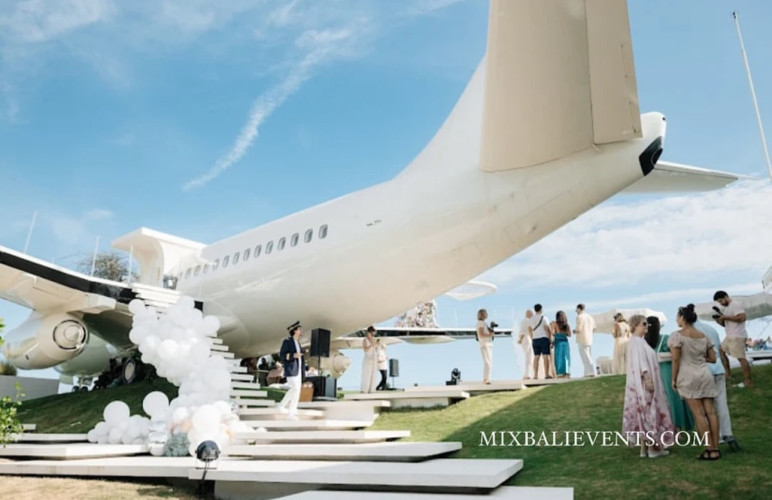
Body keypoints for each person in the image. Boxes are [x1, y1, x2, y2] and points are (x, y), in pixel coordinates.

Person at [669, 304, 720, 460]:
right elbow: (713, 358)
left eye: (677, 317)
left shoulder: (677, 336)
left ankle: (709, 448)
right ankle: (716, 448)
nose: (676, 320)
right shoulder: (703, 336)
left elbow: (676, 360)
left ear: (683, 318)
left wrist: (673, 379)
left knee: (698, 414)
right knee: (711, 412)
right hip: (705, 374)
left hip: (688, 376)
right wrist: (699, 358)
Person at [622, 315, 673, 458]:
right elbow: (642, 363)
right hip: (644, 383)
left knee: (644, 414)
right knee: (649, 412)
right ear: (635, 326)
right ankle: (653, 449)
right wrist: (648, 380)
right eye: (643, 324)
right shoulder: (637, 342)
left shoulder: (638, 341)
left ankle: (644, 448)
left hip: (641, 383)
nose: (647, 326)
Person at [694, 318, 740, 451]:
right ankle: (727, 432)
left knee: (707, 406)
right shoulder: (711, 329)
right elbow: (719, 350)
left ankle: (716, 435)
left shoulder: (692, 331)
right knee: (722, 403)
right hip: (718, 368)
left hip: (704, 369)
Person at [648, 316, 694, 431]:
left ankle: (668, 427)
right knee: (673, 399)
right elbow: (677, 355)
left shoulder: (645, 342)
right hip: (668, 371)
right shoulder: (665, 338)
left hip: (653, 372)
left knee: (663, 400)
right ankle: (677, 426)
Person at [714, 290, 752, 387]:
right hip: (730, 336)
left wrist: (725, 317)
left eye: (721, 301)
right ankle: (728, 374)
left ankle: (748, 381)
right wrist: (719, 321)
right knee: (721, 350)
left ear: (726, 297)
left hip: (737, 335)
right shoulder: (727, 309)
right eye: (719, 302)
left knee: (741, 358)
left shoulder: (735, 304)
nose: (721, 303)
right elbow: (727, 324)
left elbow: (742, 318)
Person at [277, 321, 305, 420]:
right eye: (299, 329)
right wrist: (293, 355)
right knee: (295, 389)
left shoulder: (298, 343)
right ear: (294, 331)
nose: (301, 331)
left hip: (299, 371)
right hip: (291, 369)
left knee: (297, 391)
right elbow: (282, 355)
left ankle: (289, 410)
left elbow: (301, 360)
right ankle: (287, 411)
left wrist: (306, 368)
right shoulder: (287, 341)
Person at [529, 304, 552, 379]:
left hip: (535, 339)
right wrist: (550, 338)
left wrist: (532, 337)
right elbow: (548, 328)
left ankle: (535, 375)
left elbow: (529, 329)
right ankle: (546, 374)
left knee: (536, 357)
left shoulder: (531, 319)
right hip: (543, 338)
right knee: (545, 357)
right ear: (541, 309)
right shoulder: (544, 318)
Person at [574, 303, 596, 377]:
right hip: (590, 338)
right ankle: (587, 372)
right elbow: (594, 328)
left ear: (579, 309)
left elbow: (579, 329)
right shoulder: (590, 317)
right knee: (588, 355)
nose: (576, 311)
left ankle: (591, 372)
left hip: (582, 338)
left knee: (585, 356)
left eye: (576, 309)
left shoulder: (579, 317)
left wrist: (574, 331)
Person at [515, 309, 534, 379]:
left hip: (525, 340)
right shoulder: (527, 321)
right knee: (529, 358)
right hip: (527, 340)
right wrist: (520, 339)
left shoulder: (523, 321)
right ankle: (527, 374)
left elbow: (522, 331)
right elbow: (523, 332)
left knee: (528, 357)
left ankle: (527, 374)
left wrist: (520, 339)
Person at [477, 309, 494, 384]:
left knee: (489, 362)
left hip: (488, 344)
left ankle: (487, 379)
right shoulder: (480, 323)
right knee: (487, 362)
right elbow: (480, 334)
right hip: (485, 344)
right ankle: (485, 379)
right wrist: (490, 335)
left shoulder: (483, 323)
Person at [553, 311, 571, 378]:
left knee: (558, 358)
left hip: (558, 342)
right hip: (565, 342)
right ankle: (567, 372)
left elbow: (553, 333)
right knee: (566, 357)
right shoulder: (566, 324)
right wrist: (564, 333)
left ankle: (560, 372)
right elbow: (569, 334)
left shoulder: (555, 323)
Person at [361, 326, 379, 393]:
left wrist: (377, 345)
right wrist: (371, 344)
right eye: (371, 334)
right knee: (367, 375)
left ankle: (372, 390)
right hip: (367, 360)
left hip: (374, 360)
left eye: (373, 334)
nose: (372, 335)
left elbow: (376, 350)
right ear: (368, 333)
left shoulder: (373, 340)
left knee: (373, 376)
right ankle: (365, 390)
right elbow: (365, 350)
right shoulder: (365, 340)